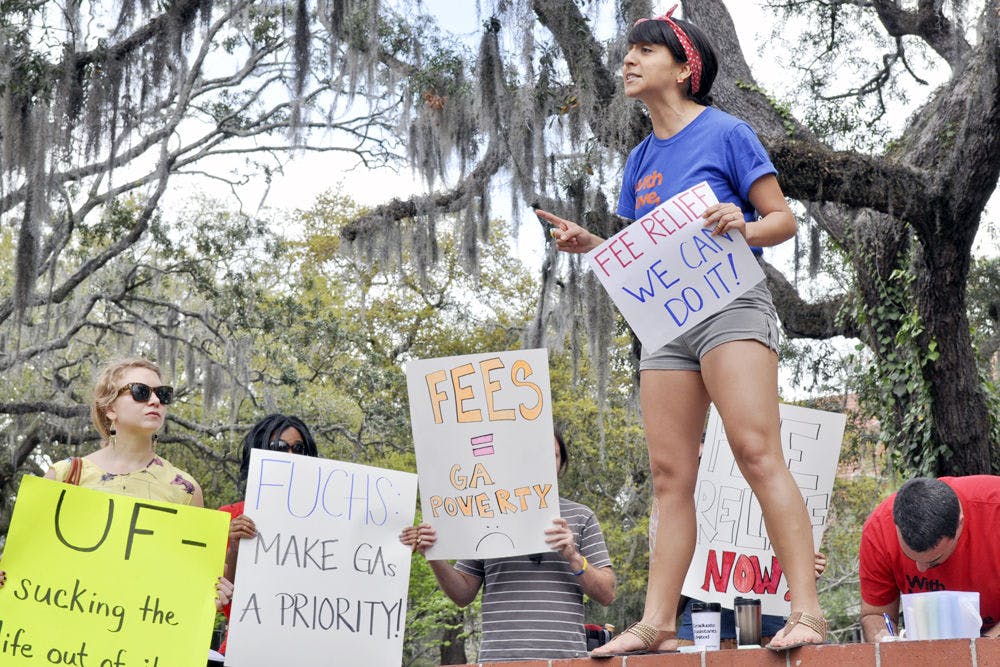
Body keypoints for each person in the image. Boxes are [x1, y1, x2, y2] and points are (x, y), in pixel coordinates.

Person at [536, 5, 825, 654]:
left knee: (756, 449)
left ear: (684, 66)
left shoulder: (727, 132)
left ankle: (806, 609)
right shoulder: (638, 159)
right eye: (627, 54)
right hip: (666, 324)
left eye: (645, 50)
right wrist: (591, 243)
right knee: (669, 473)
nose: (629, 61)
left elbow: (781, 221)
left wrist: (742, 225)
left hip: (731, 306)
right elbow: (635, 244)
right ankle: (658, 622)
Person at [0, 357, 232, 609]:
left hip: (145, 631)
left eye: (163, 394)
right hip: (68, 627)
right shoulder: (65, 474)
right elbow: (28, 558)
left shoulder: (185, 489)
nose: (155, 401)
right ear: (109, 408)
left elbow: (190, 578)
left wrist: (211, 592)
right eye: (140, 392)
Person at [400, 429, 616, 662]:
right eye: (535, 455)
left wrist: (573, 556)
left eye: (552, 456)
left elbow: (607, 593)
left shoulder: (581, 516)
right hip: (498, 659)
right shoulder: (484, 514)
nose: (544, 463)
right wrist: (434, 554)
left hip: (564, 659)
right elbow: (462, 594)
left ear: (561, 464)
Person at [216, 413, 320, 654]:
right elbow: (222, 602)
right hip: (245, 650)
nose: (291, 455)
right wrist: (234, 548)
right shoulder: (230, 516)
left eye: (299, 448)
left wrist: (401, 543)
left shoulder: (331, 521)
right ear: (259, 451)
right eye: (280, 447)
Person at [859, 476, 1000, 641]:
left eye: (934, 561)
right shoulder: (878, 530)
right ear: (896, 525)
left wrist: (982, 650)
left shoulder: (994, 511)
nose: (921, 569)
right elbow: (875, 613)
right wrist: (883, 639)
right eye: (910, 557)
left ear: (960, 524)